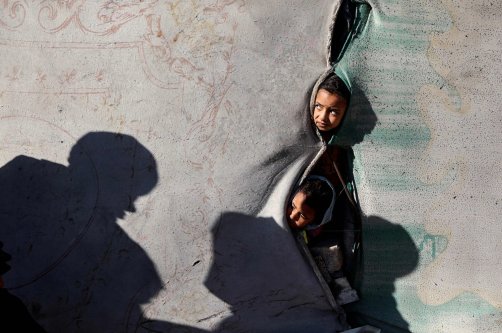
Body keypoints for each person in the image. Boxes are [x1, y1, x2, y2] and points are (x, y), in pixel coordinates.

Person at [307, 69, 362, 287]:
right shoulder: (306, 134)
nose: (322, 117)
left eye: (333, 111)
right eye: (318, 107)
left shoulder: (343, 144)